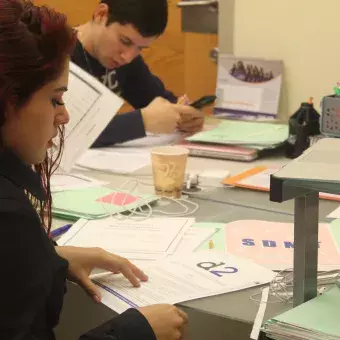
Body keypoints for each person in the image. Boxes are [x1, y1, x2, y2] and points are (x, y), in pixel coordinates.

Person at [0, 1, 188, 339]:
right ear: (9, 100)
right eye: (56, 99)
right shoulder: (9, 217)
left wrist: (49, 258)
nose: (64, 116)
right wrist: (134, 331)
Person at [73, 0, 204, 147]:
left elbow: (158, 99)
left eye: (140, 48)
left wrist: (184, 115)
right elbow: (66, 133)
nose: (128, 57)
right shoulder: (52, 56)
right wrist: (141, 122)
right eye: (125, 41)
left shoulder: (123, 60)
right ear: (101, 15)